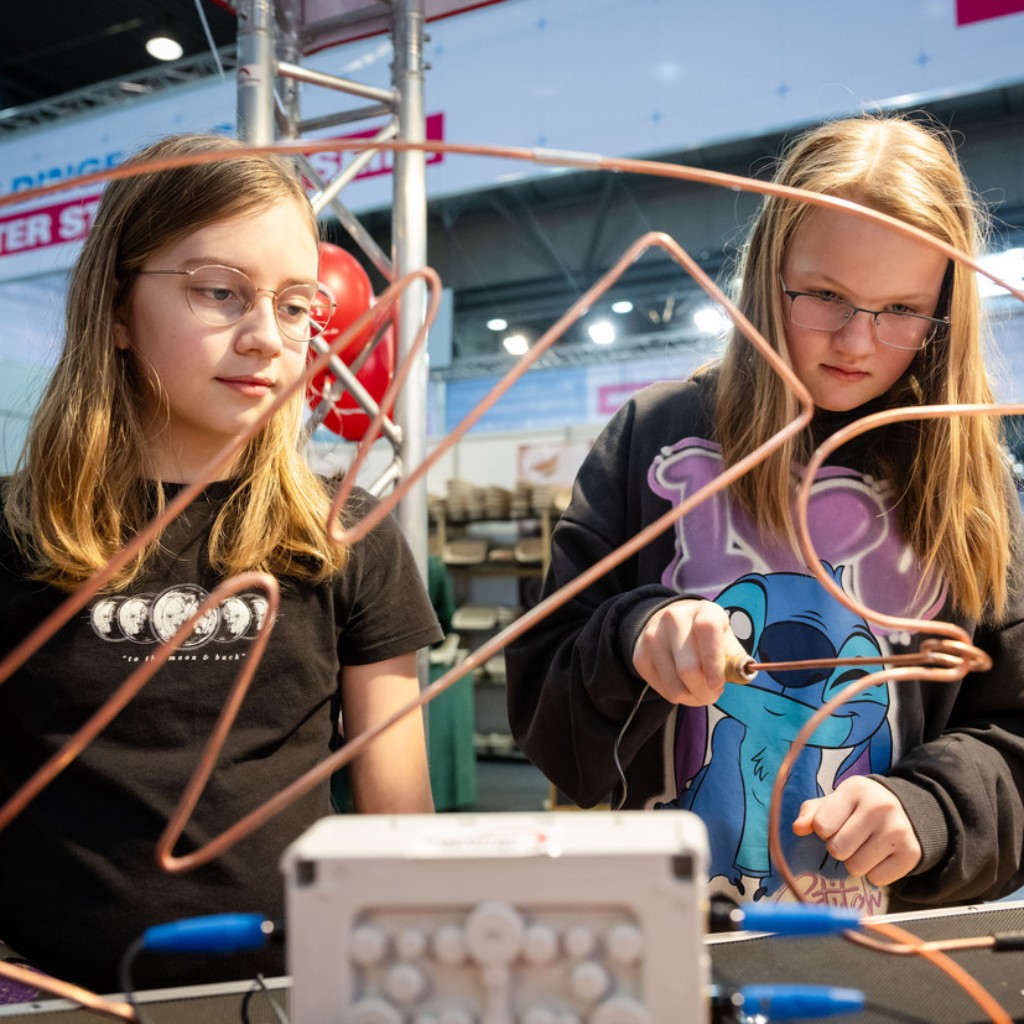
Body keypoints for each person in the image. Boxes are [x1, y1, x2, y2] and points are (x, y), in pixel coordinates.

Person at [505, 113, 1024, 914]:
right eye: (825, 296)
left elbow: (1014, 735)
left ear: (944, 311)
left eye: (901, 308)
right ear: (767, 273)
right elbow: (545, 709)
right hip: (671, 925)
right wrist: (633, 638)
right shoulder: (655, 436)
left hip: (889, 941)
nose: (857, 341)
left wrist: (932, 809)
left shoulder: (969, 480)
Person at [0, 133, 442, 995]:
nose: (267, 337)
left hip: (294, 994)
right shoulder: (16, 531)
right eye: (219, 293)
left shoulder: (344, 534)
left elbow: (401, 824)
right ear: (117, 309)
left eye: (297, 306)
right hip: (52, 998)